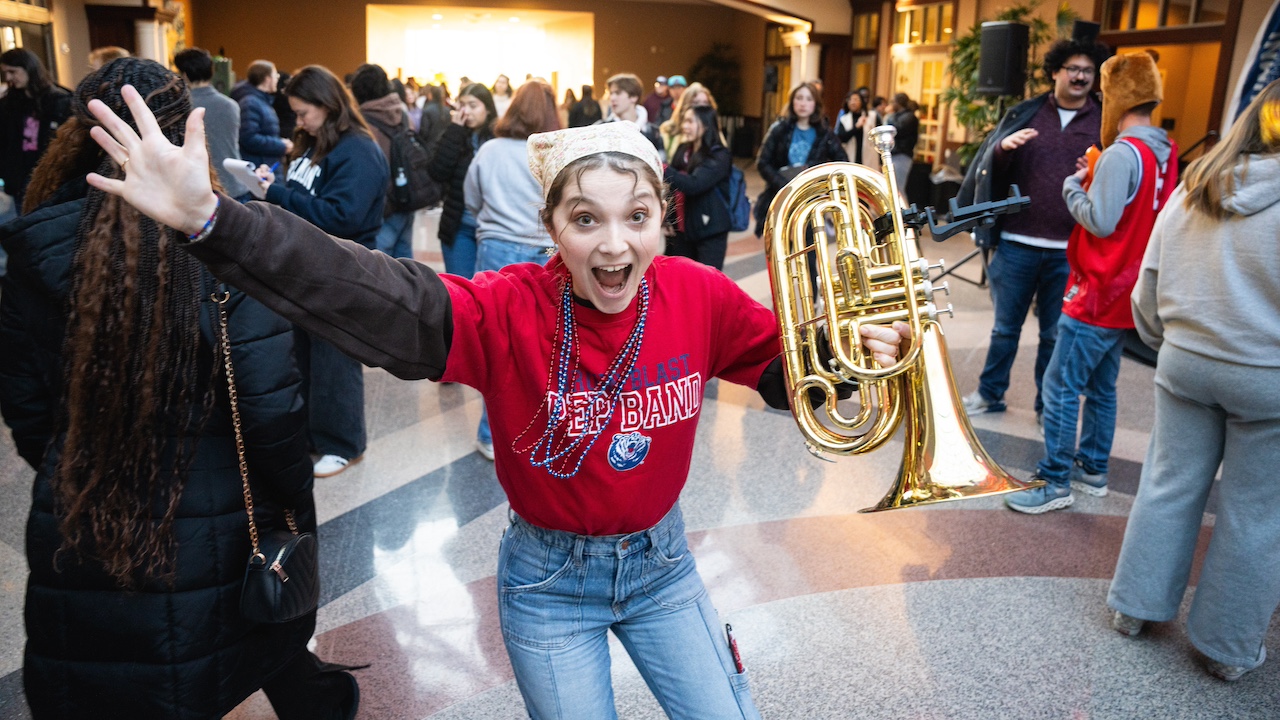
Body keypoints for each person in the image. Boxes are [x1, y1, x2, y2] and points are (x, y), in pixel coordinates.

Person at [81, 86, 911, 717]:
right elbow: (367, 290)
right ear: (553, 226)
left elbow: (788, 371)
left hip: (664, 571)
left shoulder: (698, 295)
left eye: (638, 218)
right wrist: (214, 222)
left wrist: (850, 355)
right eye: (586, 219)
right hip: (549, 585)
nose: (614, 243)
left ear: (665, 220)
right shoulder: (508, 306)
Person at [0, 57, 357, 720]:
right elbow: (270, 406)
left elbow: (24, 404)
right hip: (212, 522)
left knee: (99, 679)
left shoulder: (33, 248)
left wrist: (76, 461)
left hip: (80, 517)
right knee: (225, 676)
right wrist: (288, 508)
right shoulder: (229, 243)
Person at [1105, 78, 1280, 684]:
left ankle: (1134, 608)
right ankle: (1226, 648)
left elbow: (1147, 283)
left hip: (1184, 358)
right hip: (1269, 375)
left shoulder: (1197, 182)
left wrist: (1166, 341)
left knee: (1168, 484)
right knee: (1256, 513)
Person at [1005, 52, 1176, 514]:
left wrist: (1073, 188)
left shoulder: (1123, 152)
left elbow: (1100, 221)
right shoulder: (1164, 151)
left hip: (1099, 287)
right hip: (1128, 287)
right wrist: (1094, 180)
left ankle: (1055, 479)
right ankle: (1093, 469)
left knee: (1061, 384)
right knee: (1102, 385)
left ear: (1117, 95)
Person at [957, 38, 1109, 424]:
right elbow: (991, 169)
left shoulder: (1105, 122)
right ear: (1055, 72)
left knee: (1054, 336)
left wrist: (1098, 171)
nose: (1079, 76)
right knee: (1005, 329)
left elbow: (1115, 186)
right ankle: (990, 394)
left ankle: (1047, 406)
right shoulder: (1027, 112)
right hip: (1017, 242)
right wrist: (1004, 148)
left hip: (1071, 249)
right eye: (1072, 69)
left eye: (1087, 71)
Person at [256, 65, 388, 478]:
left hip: (341, 268)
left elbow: (342, 216)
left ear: (328, 106)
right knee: (306, 356)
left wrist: (275, 193)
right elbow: (304, 193)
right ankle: (316, 435)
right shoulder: (316, 142)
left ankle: (343, 443)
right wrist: (273, 185)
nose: (299, 122)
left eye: (303, 113)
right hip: (306, 263)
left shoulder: (359, 150)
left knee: (334, 358)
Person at [463, 80, 561, 460]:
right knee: (546, 346)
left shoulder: (489, 150)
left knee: (498, 344)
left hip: (496, 249)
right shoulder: (553, 152)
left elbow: (472, 199)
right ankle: (541, 429)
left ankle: (490, 435)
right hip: (545, 250)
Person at [753, 82, 846, 237]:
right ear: (792, 102)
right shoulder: (779, 129)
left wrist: (821, 184)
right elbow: (762, 162)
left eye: (808, 99)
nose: (803, 103)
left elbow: (842, 161)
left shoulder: (825, 134)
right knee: (780, 252)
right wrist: (784, 185)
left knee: (810, 251)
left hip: (810, 201)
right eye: (799, 98)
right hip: (781, 198)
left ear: (815, 104)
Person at [426, 82, 496, 278]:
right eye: (462, 105)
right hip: (459, 226)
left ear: (488, 109)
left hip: (491, 227)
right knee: (462, 287)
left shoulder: (497, 138)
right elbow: (437, 171)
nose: (467, 112)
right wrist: (455, 131)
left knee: (490, 290)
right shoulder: (454, 134)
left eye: (473, 106)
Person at [351, 63, 415, 259]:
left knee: (381, 270)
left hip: (382, 208)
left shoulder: (363, 123)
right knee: (404, 265)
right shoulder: (402, 113)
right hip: (406, 197)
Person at [173, 47, 251, 201]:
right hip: (235, 184)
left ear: (184, 75)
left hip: (202, 187)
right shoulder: (231, 105)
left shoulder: (181, 109)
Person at [0, 49, 71, 214]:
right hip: (19, 178)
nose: (9, 78)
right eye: (5, 73)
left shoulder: (59, 101)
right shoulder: (7, 105)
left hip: (50, 177)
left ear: (28, 68)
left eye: (13, 72)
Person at [664, 104, 734, 270]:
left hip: (709, 230)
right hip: (681, 229)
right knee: (680, 281)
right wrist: (667, 217)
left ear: (706, 125)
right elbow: (672, 186)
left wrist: (664, 168)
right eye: (684, 121)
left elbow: (695, 184)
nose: (684, 126)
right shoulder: (683, 149)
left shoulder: (719, 155)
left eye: (690, 121)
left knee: (707, 283)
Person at [237, 60, 293, 167]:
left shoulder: (262, 101)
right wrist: (281, 145)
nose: (277, 78)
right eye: (275, 75)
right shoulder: (251, 103)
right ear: (267, 79)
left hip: (266, 163)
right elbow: (249, 138)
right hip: (260, 166)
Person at [598, 72, 663, 156]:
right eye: (611, 93)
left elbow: (661, 165)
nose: (612, 98)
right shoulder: (601, 128)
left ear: (633, 97)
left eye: (618, 93)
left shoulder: (653, 132)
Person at [659, 80, 717, 159]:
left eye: (705, 103)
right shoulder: (667, 130)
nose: (701, 108)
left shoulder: (715, 135)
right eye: (696, 103)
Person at [884, 93, 918, 199]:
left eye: (893, 102)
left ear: (898, 103)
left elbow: (898, 129)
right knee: (892, 187)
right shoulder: (898, 115)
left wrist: (889, 116)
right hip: (894, 153)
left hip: (902, 155)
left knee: (898, 187)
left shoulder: (910, 116)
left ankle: (905, 213)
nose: (891, 105)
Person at [835, 90, 879, 168]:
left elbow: (878, 138)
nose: (853, 102)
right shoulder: (844, 119)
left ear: (861, 102)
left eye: (856, 99)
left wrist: (880, 161)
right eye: (850, 100)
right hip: (851, 158)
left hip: (869, 158)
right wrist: (856, 127)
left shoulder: (872, 116)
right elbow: (841, 138)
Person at [418, 83, 450, 148]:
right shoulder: (447, 110)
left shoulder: (427, 110)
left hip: (430, 145)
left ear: (430, 95)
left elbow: (424, 131)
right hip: (444, 144)